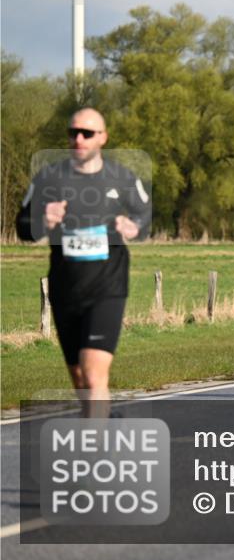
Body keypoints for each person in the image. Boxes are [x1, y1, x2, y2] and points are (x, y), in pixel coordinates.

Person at [16, 108, 152, 417]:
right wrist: (41, 219)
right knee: (80, 380)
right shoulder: (49, 179)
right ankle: (106, 421)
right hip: (66, 289)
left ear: (102, 137)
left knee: (93, 376)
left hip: (108, 287)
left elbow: (144, 216)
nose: (79, 139)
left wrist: (135, 228)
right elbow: (22, 225)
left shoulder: (122, 177)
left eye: (87, 133)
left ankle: (96, 456)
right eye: (73, 132)